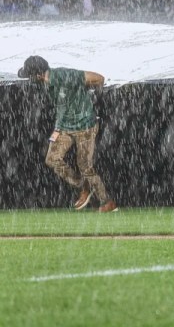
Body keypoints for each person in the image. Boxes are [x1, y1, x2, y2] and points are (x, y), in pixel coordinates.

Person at [17, 55, 118, 212]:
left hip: (85, 127)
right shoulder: (46, 82)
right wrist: (58, 128)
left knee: (85, 166)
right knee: (52, 159)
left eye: (30, 76)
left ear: (37, 75)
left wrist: (91, 101)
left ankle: (107, 202)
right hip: (64, 127)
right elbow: (62, 106)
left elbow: (99, 78)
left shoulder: (66, 75)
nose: (30, 80)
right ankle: (83, 185)